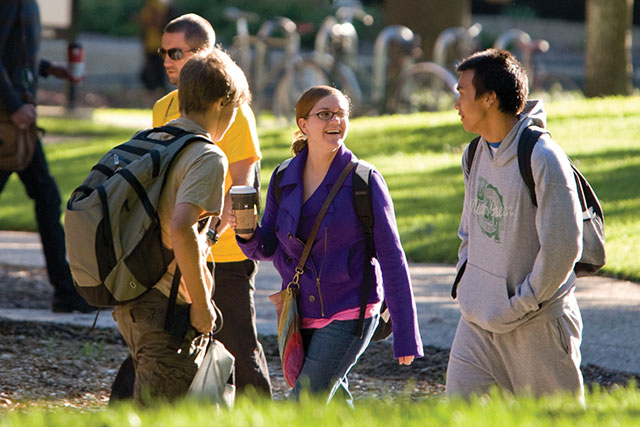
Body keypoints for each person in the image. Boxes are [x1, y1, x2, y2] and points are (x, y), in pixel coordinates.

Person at [232, 85, 424, 404]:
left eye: (341, 114)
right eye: (325, 114)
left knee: (304, 401)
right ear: (303, 125)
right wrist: (246, 232)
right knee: (333, 404)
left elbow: (392, 258)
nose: (335, 120)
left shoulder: (365, 181)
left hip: (352, 309)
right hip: (300, 312)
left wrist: (406, 334)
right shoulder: (283, 177)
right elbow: (267, 248)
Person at [447, 49, 584, 400]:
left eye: (462, 92)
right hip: (476, 322)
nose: (456, 102)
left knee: (557, 422)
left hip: (535, 325)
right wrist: (468, 284)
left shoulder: (543, 157)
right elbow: (469, 231)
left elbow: (563, 246)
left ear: (489, 98)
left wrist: (522, 304)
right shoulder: (474, 152)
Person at [112, 48, 248, 403]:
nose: (234, 120)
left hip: (131, 297)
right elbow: (183, 227)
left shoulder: (153, 141)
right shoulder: (207, 155)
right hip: (167, 307)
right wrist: (202, 306)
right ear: (221, 104)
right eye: (235, 111)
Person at [151, 13, 272, 396]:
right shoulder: (163, 108)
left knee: (239, 350)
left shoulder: (230, 108)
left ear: (203, 54)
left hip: (225, 256)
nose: (167, 59)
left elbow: (244, 184)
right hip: (177, 251)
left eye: (175, 52)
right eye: (163, 51)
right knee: (170, 348)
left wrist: (214, 234)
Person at [0, 0, 93, 313]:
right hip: (8, 121)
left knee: (47, 197)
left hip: (18, 123)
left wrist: (50, 68)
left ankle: (65, 291)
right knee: (47, 197)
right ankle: (65, 291)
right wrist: (14, 106)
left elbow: (15, 54)